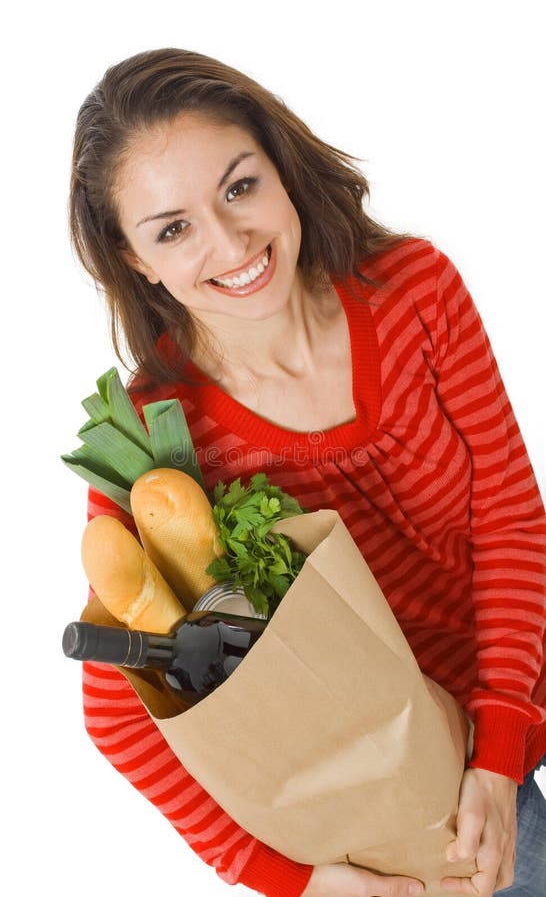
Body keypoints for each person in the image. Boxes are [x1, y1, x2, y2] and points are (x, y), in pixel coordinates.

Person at [69, 48, 546, 897]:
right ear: (134, 258)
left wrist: (505, 739)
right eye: (172, 228)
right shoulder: (158, 445)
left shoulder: (412, 292)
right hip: (412, 771)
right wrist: (285, 876)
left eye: (239, 187)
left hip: (517, 667)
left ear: (281, 168)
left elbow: (508, 518)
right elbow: (118, 711)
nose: (231, 242)